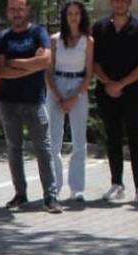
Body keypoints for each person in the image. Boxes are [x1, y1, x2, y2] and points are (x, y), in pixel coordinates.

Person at [0, 0, 61, 213]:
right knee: (14, 150)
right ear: (7, 12)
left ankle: (50, 197)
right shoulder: (3, 37)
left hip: (35, 101)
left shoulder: (38, 33)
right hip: (8, 101)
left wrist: (15, 63)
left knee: (44, 149)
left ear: (27, 11)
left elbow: (46, 62)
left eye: (20, 9)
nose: (16, 13)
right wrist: (31, 65)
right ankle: (20, 194)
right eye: (13, 10)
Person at [93, 0, 138, 204]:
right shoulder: (100, 28)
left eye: (123, 0)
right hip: (107, 92)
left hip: (133, 92)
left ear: (130, 3)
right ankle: (117, 184)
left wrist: (121, 84)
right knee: (113, 137)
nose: (119, 3)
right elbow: (94, 62)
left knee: (137, 137)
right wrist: (108, 83)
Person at [46, 1, 95, 203]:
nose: (73, 17)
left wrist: (74, 96)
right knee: (53, 140)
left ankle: (77, 188)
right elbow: (48, 72)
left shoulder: (88, 41)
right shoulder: (55, 40)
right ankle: (54, 187)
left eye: (77, 13)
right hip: (57, 85)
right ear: (64, 17)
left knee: (79, 140)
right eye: (69, 14)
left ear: (81, 16)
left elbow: (89, 74)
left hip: (78, 86)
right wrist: (58, 96)